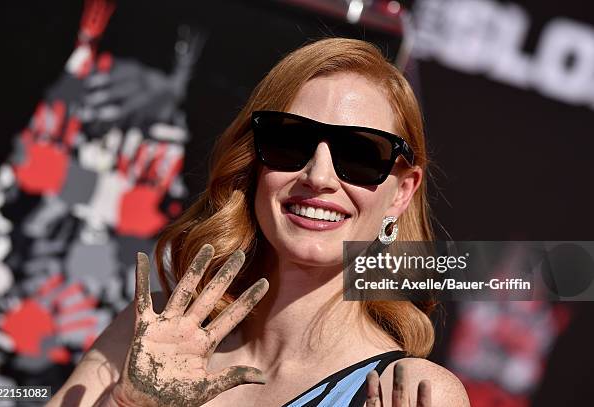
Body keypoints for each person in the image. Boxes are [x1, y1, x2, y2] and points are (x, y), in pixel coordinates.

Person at [49, 37, 470, 406]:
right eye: (289, 142)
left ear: (401, 193)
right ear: (254, 163)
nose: (318, 177)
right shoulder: (155, 333)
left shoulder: (414, 393)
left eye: (360, 154)